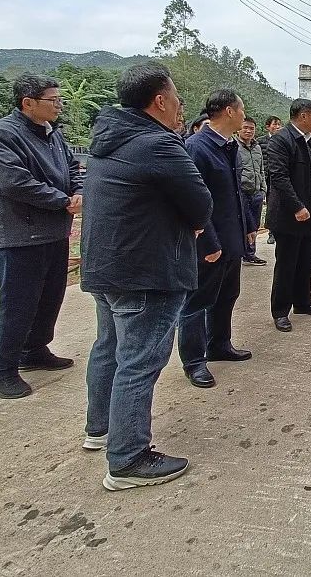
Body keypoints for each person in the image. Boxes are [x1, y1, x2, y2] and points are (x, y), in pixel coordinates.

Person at [82, 62, 213, 490]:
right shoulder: (158, 143)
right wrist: (191, 222)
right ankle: (128, 459)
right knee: (139, 363)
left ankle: (100, 430)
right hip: (147, 270)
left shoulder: (110, 137)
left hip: (107, 266)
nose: (180, 108)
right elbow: (199, 204)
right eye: (177, 99)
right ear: (159, 101)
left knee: (109, 349)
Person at [0, 74, 83, 399]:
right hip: (19, 236)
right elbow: (15, 183)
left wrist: (79, 191)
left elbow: (73, 168)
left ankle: (34, 350)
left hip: (54, 232)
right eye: (53, 100)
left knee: (50, 297)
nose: (59, 105)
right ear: (28, 103)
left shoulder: (52, 134)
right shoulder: (0, 136)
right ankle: (1, 370)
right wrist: (63, 201)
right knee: (17, 304)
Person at [178, 89, 255, 388]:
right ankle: (194, 361)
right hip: (211, 242)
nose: (245, 115)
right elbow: (194, 200)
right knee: (197, 303)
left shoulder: (228, 145)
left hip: (232, 237)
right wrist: (208, 242)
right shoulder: (198, 147)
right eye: (242, 108)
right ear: (228, 111)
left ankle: (219, 344)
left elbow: (236, 192)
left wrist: (248, 225)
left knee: (227, 295)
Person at [266, 99, 311, 332]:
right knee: (287, 264)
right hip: (289, 215)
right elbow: (279, 178)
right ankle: (280, 311)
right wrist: (297, 207)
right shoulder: (282, 140)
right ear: (303, 116)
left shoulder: (309, 142)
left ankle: (303, 302)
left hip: (310, 214)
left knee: (306, 260)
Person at [236, 117, 268, 266]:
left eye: (251, 128)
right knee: (242, 224)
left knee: (254, 225)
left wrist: (263, 189)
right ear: (239, 129)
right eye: (245, 128)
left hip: (256, 192)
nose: (248, 131)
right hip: (242, 192)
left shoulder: (257, 147)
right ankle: (240, 251)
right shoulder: (233, 146)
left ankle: (250, 253)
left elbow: (261, 169)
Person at [259, 115, 282, 245]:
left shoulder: (284, 141)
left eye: (279, 124)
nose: (277, 127)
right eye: (275, 124)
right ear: (268, 126)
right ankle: (271, 232)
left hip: (279, 178)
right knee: (270, 206)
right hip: (267, 178)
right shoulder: (260, 141)